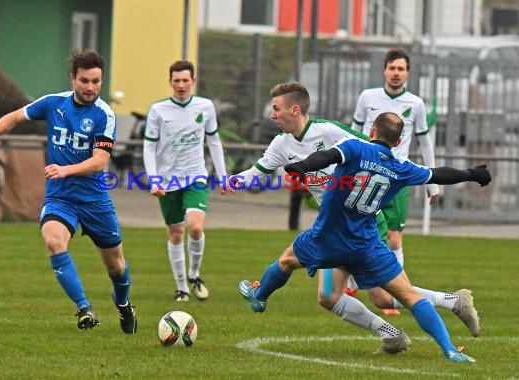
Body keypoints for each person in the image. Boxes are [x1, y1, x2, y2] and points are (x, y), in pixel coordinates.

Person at [229, 82, 479, 354]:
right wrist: (234, 181)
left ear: (295, 109)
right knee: (338, 296)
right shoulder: (281, 144)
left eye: (276, 109)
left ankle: (451, 303)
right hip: (333, 224)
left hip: (365, 221)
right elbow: (257, 171)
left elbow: (371, 150)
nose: (272, 114)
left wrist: (389, 172)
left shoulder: (330, 131)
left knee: (381, 296)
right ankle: (404, 329)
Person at [0, 50, 138, 334]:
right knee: (53, 241)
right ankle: (84, 308)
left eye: (96, 81)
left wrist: (66, 169)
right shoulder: (53, 103)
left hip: (94, 199)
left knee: (117, 265)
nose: (91, 88)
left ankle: (123, 304)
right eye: (85, 81)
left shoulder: (104, 115)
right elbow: (14, 116)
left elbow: (100, 161)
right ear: (73, 78)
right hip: (60, 197)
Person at [350, 48, 439, 315]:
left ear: (408, 73)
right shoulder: (368, 97)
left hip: (395, 180)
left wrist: (432, 182)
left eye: (401, 69)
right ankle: (353, 281)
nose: (396, 73)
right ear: (384, 70)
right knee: (355, 227)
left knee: (394, 238)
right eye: (392, 68)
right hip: (364, 175)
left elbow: (425, 141)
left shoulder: (416, 104)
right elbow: (353, 133)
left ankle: (395, 291)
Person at [143, 60, 230, 302]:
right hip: (168, 182)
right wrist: (154, 180)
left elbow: (214, 141)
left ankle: (194, 275)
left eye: (185, 80)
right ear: (170, 82)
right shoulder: (158, 110)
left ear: (193, 81)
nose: (181, 85)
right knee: (176, 234)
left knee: (196, 226)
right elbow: (149, 147)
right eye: (176, 80)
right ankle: (181, 287)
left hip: (196, 177)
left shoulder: (205, 106)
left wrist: (223, 177)